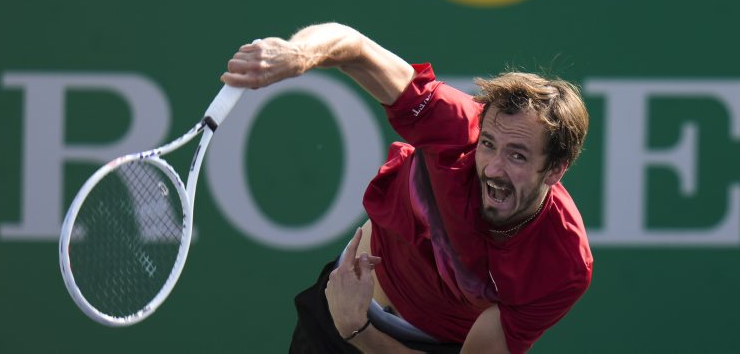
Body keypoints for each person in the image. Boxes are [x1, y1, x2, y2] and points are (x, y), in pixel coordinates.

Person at [221, 22, 592, 353]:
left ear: (555, 170)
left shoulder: (562, 263)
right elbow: (354, 47)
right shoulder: (456, 127)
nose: (493, 168)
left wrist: (359, 330)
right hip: (335, 313)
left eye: (518, 156)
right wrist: (298, 54)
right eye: (489, 144)